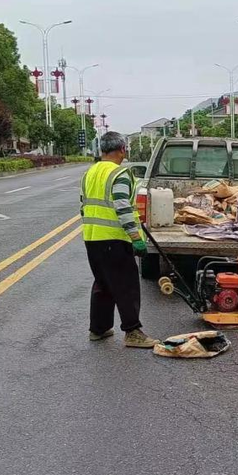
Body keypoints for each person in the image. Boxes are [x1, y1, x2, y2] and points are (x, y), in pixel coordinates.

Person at [81, 132, 158, 348]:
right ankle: (132, 331)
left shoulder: (90, 173)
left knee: (103, 284)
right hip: (114, 240)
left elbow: (82, 205)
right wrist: (136, 238)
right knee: (126, 285)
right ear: (123, 149)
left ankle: (99, 329)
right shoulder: (120, 174)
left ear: (102, 150)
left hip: (92, 238)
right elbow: (123, 207)